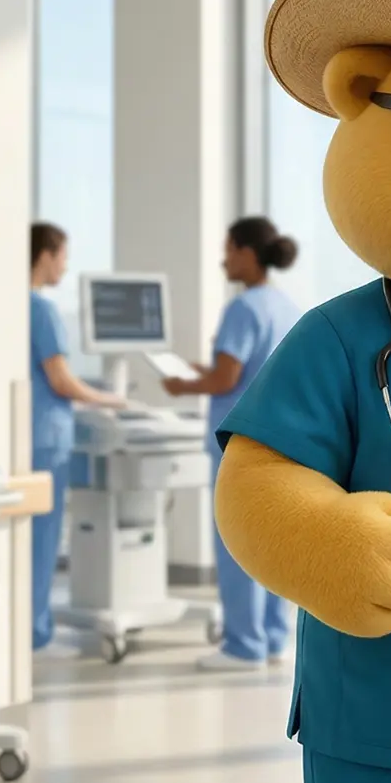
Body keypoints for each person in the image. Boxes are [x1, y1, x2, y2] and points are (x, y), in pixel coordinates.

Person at [162, 217, 305, 672]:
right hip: (279, 441)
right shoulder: (285, 306)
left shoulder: (243, 308)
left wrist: (181, 385)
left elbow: (226, 379)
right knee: (273, 543)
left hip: (237, 445)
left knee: (237, 543)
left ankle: (243, 646)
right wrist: (201, 372)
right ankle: (274, 639)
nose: (223, 260)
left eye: (227, 250)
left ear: (246, 252)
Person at [27, 222, 125, 651]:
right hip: (46, 440)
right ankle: (34, 632)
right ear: (45, 254)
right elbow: (61, 380)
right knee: (41, 540)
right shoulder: (42, 310)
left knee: (24, 539)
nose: (65, 267)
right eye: (63, 256)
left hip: (23, 433)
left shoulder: (7, 305)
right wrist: (110, 400)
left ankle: (25, 627)